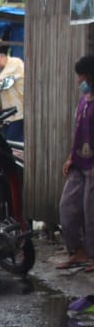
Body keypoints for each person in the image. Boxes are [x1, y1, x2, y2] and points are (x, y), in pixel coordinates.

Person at [58, 55, 94, 271]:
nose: (79, 80)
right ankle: (77, 252)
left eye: (82, 75)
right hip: (79, 162)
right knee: (68, 207)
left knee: (91, 213)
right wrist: (71, 156)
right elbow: (78, 130)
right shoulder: (84, 99)